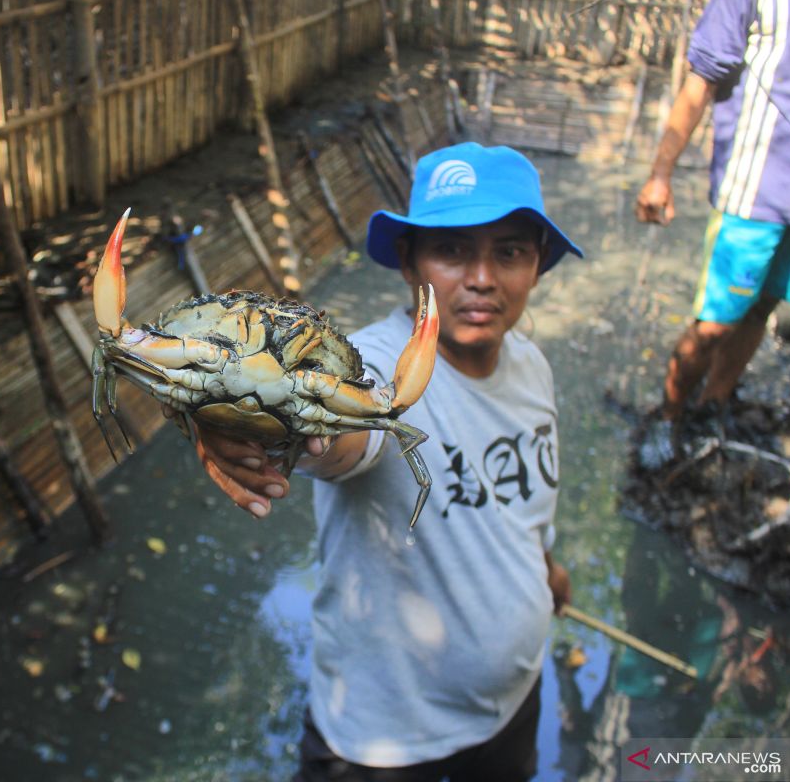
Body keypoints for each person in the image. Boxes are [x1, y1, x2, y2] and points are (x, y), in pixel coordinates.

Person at [192, 142, 584, 781]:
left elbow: (520, 504)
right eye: (452, 250)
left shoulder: (531, 366)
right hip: (385, 742)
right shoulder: (376, 369)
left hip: (511, 707)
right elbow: (342, 429)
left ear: (538, 264)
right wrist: (260, 423)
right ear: (409, 262)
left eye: (509, 251)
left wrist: (543, 569)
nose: (482, 277)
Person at [635, 0, 790, 464]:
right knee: (716, 323)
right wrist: (660, 174)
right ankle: (669, 416)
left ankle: (713, 404)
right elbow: (700, 81)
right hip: (754, 196)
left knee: (763, 307)